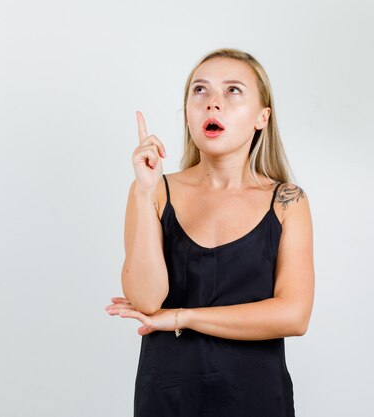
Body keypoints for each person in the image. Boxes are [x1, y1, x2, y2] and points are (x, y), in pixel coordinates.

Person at [105, 48, 314, 417]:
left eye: (233, 91)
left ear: (262, 117)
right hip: (166, 399)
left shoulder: (287, 202)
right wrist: (142, 191)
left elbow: (293, 316)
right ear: (187, 112)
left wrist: (183, 317)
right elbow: (146, 300)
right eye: (199, 91)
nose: (212, 104)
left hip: (258, 400)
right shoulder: (153, 191)